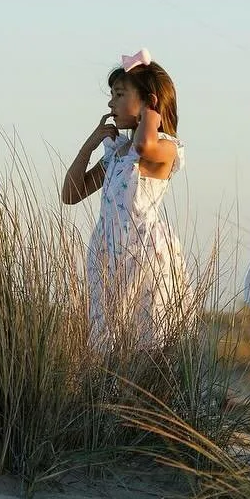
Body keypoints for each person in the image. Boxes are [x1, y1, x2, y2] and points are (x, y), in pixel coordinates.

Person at [61, 51, 191, 348]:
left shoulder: (166, 148)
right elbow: (71, 194)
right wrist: (90, 145)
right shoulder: (117, 153)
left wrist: (151, 117)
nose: (111, 103)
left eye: (119, 94)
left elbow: (145, 146)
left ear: (149, 100)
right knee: (106, 344)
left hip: (143, 254)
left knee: (145, 343)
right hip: (108, 254)